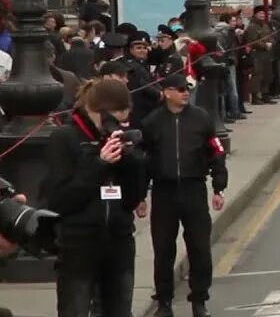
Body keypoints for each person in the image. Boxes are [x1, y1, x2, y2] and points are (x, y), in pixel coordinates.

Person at [45, 78, 147, 317]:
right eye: (113, 120)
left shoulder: (119, 138)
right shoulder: (65, 138)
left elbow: (131, 199)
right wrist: (99, 165)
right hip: (79, 243)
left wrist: (132, 162)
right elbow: (61, 200)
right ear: (96, 111)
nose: (117, 127)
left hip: (118, 240)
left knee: (120, 309)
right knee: (76, 309)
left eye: (124, 121)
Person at [140, 72, 228, 317]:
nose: (185, 93)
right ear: (167, 93)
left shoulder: (201, 119)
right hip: (164, 191)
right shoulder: (152, 122)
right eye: (179, 90)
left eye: (186, 89)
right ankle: (164, 301)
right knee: (163, 249)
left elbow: (216, 152)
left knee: (200, 248)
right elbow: (143, 162)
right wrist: (139, 196)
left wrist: (218, 187)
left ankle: (199, 299)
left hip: (194, 189)